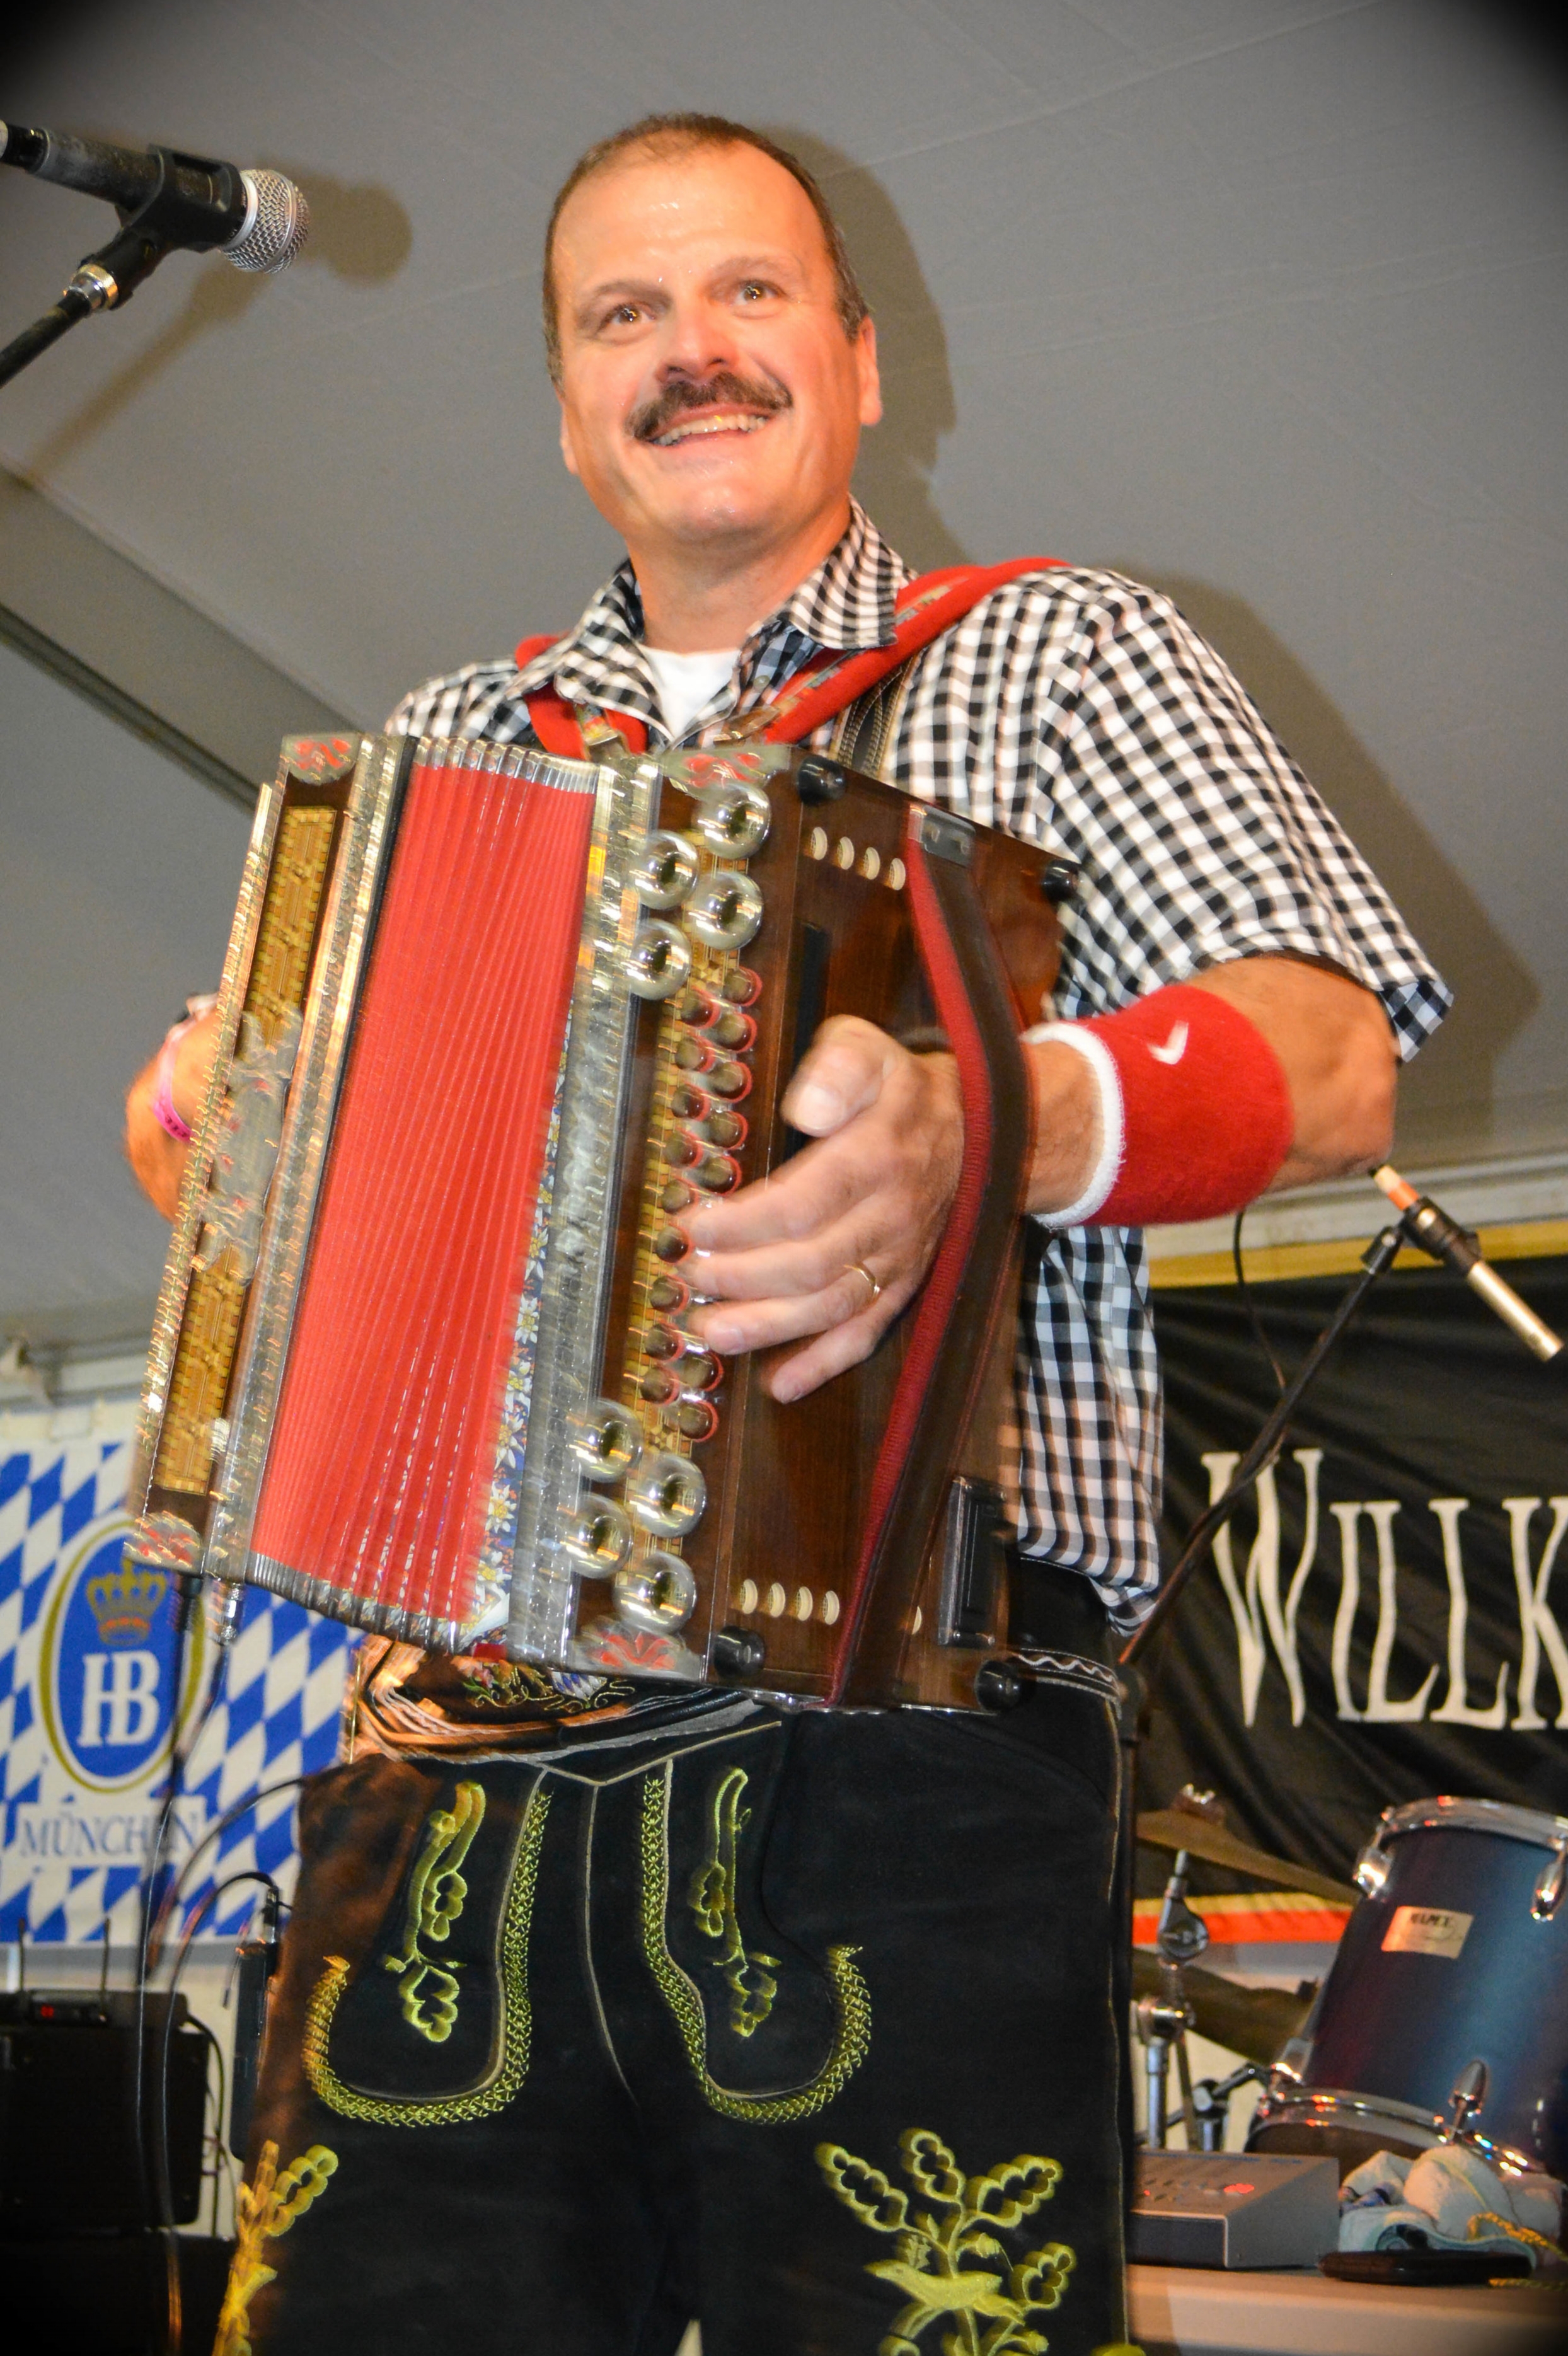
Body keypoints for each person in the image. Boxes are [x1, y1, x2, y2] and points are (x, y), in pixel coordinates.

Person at [126, 115, 1446, 2356]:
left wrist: (991, 1120)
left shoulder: (1062, 655)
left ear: (854, 358)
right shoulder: (448, 748)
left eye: (746, 296)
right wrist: (221, 1148)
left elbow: (1334, 1057)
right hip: (457, 1764)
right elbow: (306, 1201)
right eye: (621, 317)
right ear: (564, 406)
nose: (689, 353)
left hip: (904, 1746)